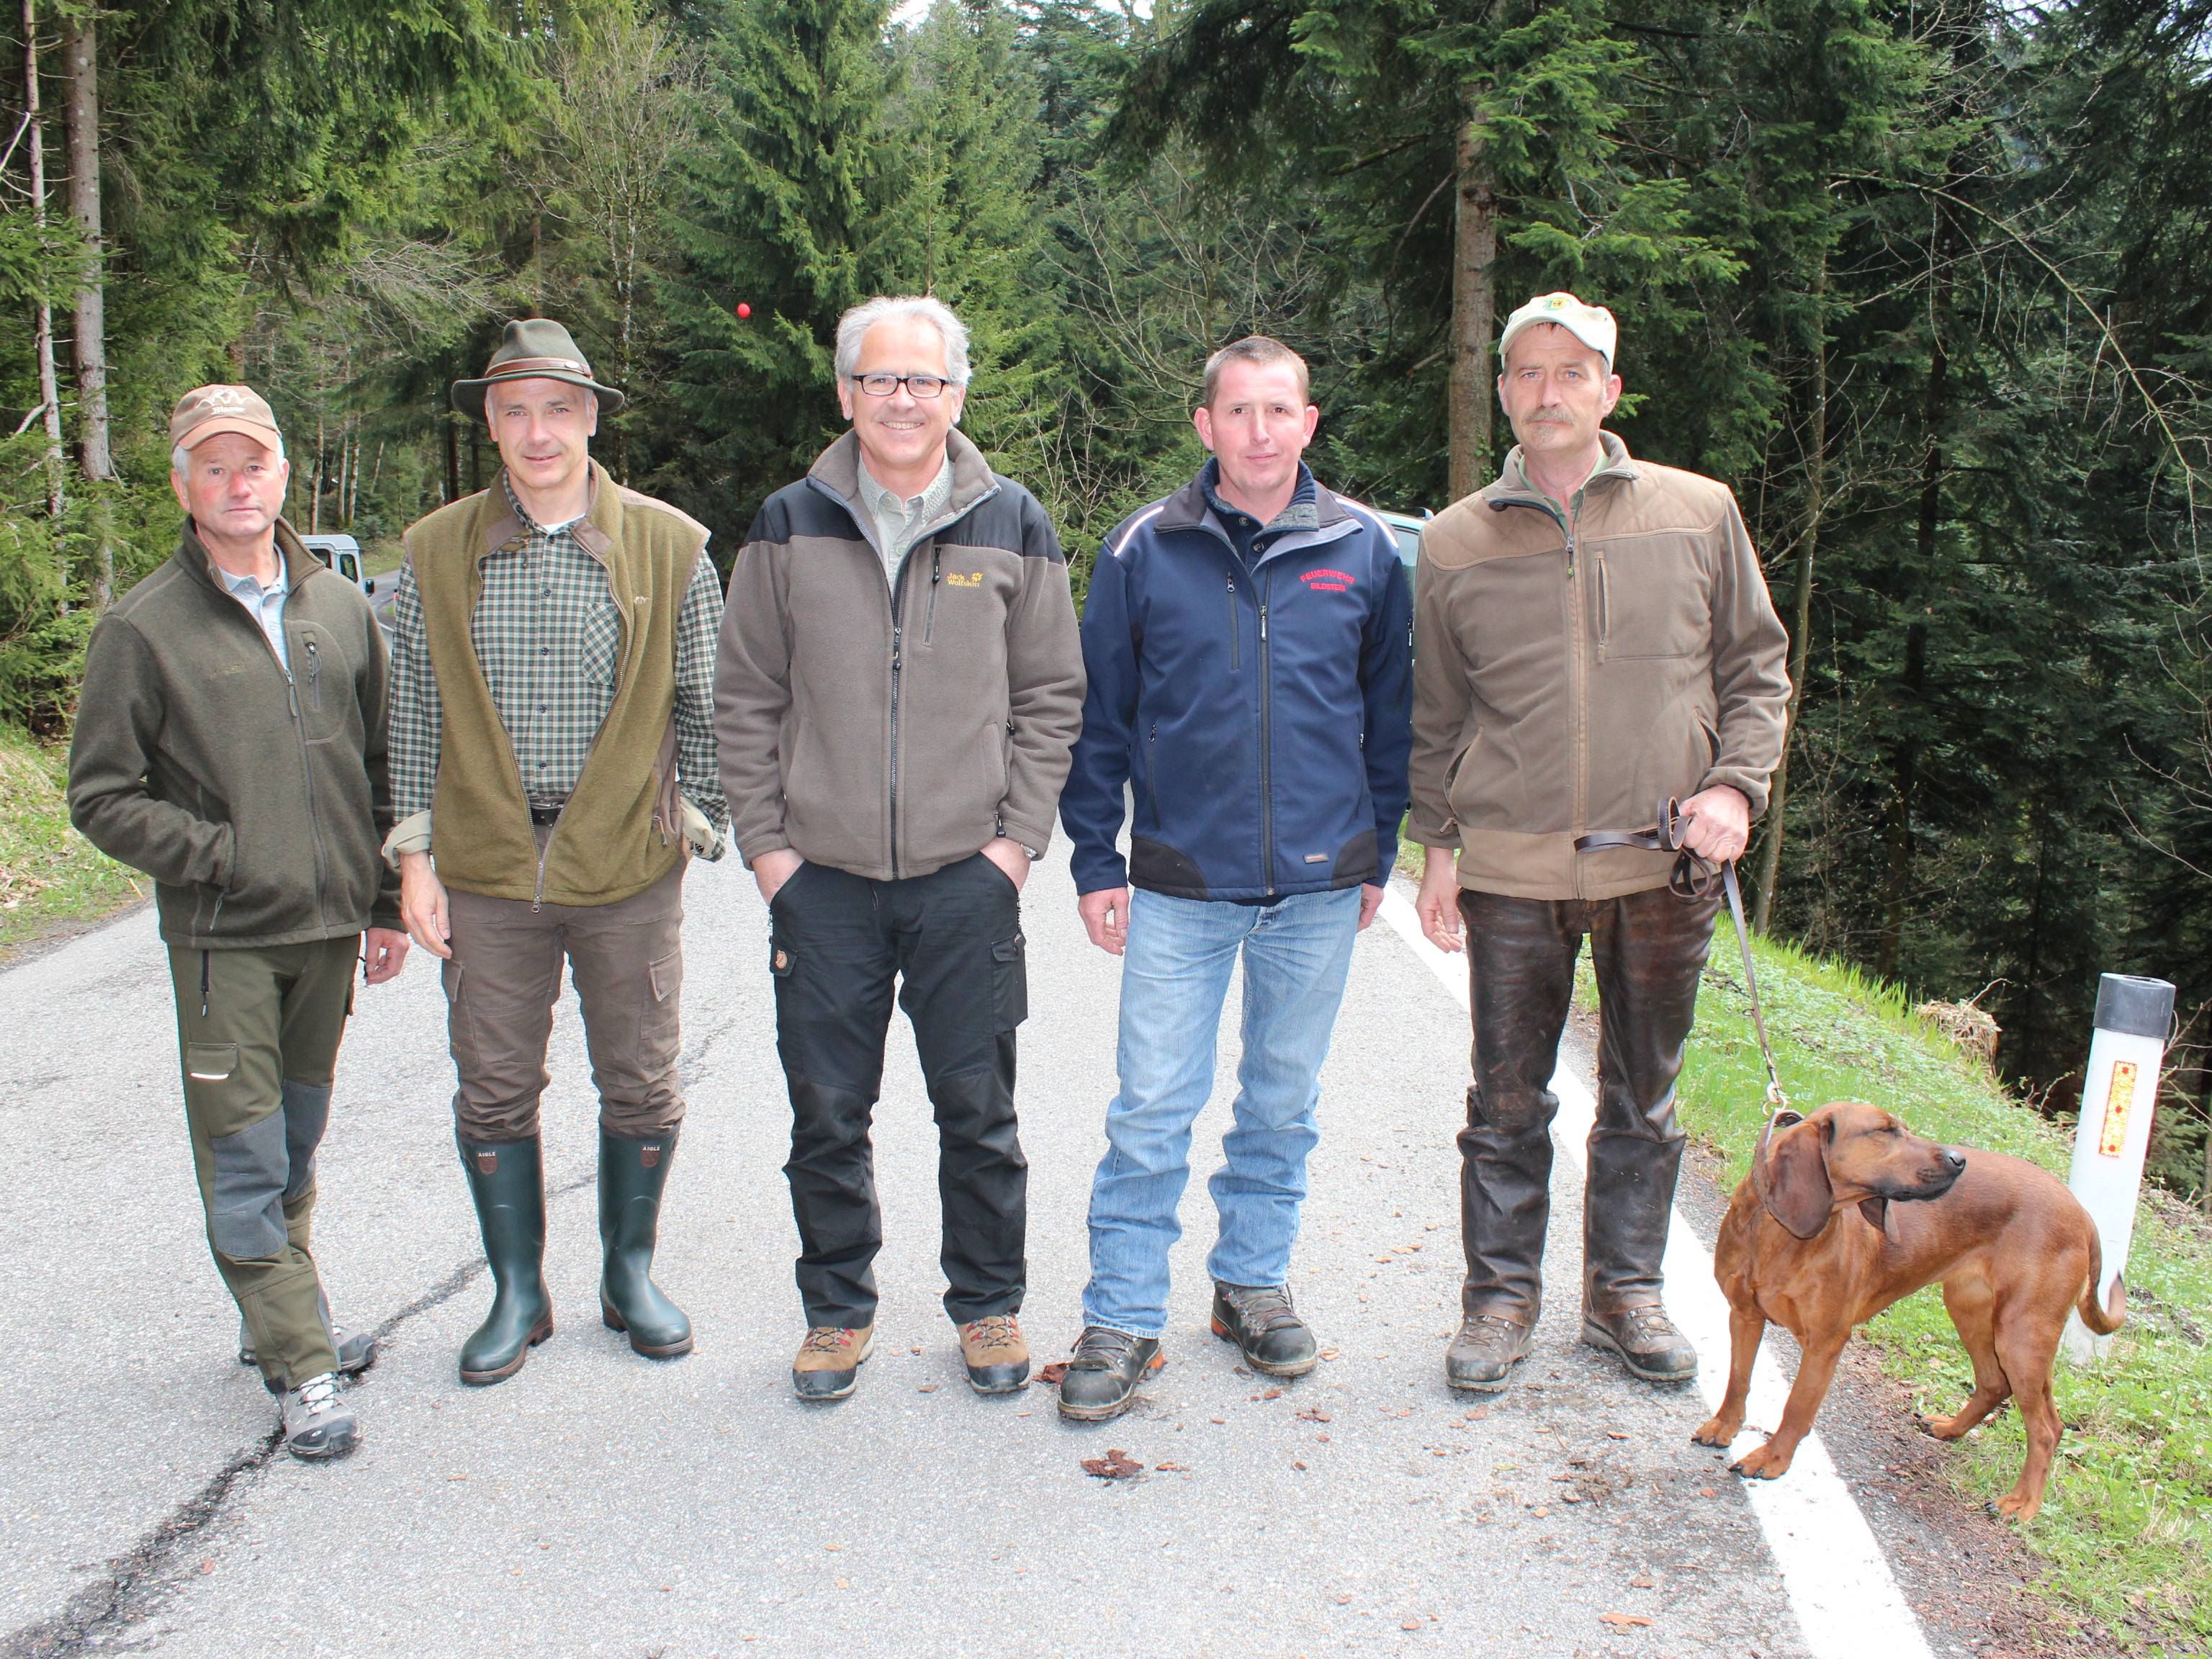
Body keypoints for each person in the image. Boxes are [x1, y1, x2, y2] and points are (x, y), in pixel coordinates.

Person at [1410, 292, 1790, 1393]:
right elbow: (1437, 711)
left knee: (1645, 1094)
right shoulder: (1454, 541)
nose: (1547, 392)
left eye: (1572, 373)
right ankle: (1499, 1300)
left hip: (1665, 863)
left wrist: (1735, 788)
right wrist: (1437, 846)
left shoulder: (1699, 511)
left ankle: (1626, 1292)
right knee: (1507, 1098)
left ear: (1609, 392)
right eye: (1528, 373)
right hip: (1514, 872)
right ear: (1503, 396)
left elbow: (1756, 670)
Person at [716, 295, 1084, 1403]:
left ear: (956, 395)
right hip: (820, 884)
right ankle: (836, 1309)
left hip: (965, 880)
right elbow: (745, 702)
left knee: (978, 1109)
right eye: (880, 380)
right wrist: (772, 854)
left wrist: (1014, 848)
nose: (903, 399)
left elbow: (1051, 697)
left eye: (923, 381)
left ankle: (988, 1306)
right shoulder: (787, 523)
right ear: (846, 395)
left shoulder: (1013, 522)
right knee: (827, 1109)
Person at [1054, 335, 1413, 1422]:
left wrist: (1376, 851)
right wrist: (1092, 858)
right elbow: (1098, 721)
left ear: (1310, 423)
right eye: (1239, 411)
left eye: (1280, 411)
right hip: (1177, 884)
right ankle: (1121, 1316)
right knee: (1152, 1108)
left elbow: (1390, 720)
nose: (1260, 431)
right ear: (1205, 425)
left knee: (1281, 1104)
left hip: (1316, 889)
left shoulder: (1364, 550)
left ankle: (1250, 1283)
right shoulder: (1140, 550)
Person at [69, 384, 410, 1459]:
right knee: (245, 1154)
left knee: (295, 1139)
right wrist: (218, 855)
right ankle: (301, 1365)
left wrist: (388, 900)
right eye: (211, 467)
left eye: (251, 462)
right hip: (226, 943)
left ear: (280, 475)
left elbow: (379, 763)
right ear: (182, 485)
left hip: (327, 936)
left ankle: (279, 1314)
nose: (236, 483)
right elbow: (102, 795)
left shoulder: (339, 608)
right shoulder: (144, 627)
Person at [385, 318, 727, 1386]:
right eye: (516, 410)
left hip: (627, 864)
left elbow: (710, 701)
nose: (539, 433)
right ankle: (517, 1292)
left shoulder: (672, 545)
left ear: (591, 420)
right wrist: (413, 859)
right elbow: (409, 713)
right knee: (492, 1089)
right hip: (487, 870)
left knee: (639, 1079)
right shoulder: (435, 550)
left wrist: (700, 817)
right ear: (489, 422)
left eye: (559, 410)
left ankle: (629, 1275)